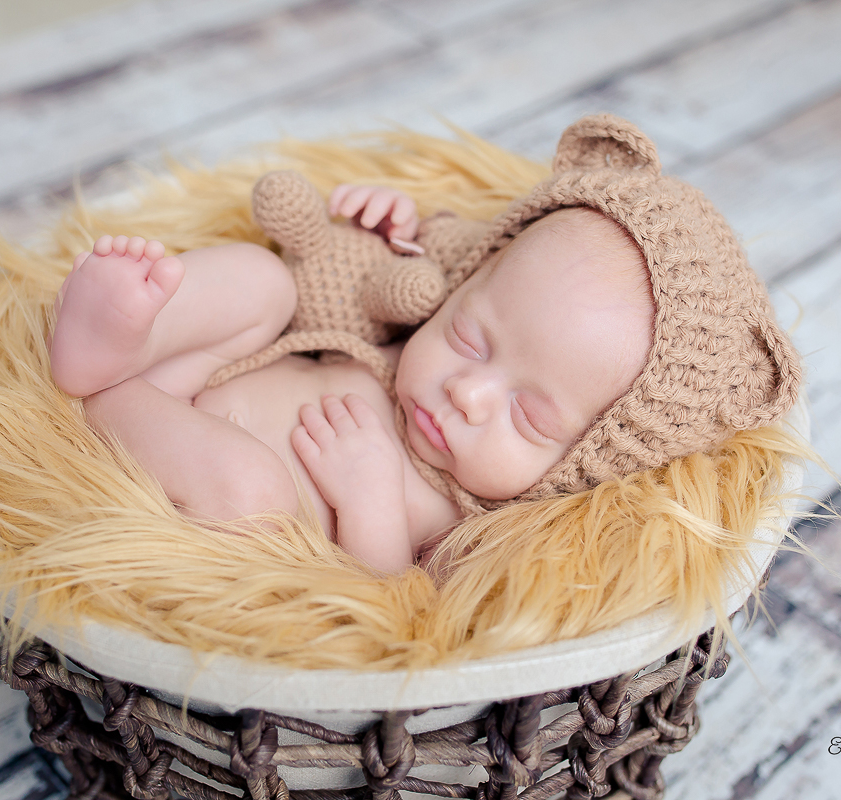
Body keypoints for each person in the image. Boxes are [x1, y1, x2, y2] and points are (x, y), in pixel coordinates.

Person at [47, 114, 801, 574]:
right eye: (469, 337)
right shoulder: (410, 335)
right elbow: (370, 278)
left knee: (253, 494)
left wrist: (368, 495)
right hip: (190, 383)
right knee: (262, 281)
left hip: (198, 492)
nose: (467, 393)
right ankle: (114, 345)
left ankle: (103, 393)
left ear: (577, 465)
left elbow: (387, 621)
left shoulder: (461, 523)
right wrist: (390, 231)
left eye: (530, 418)